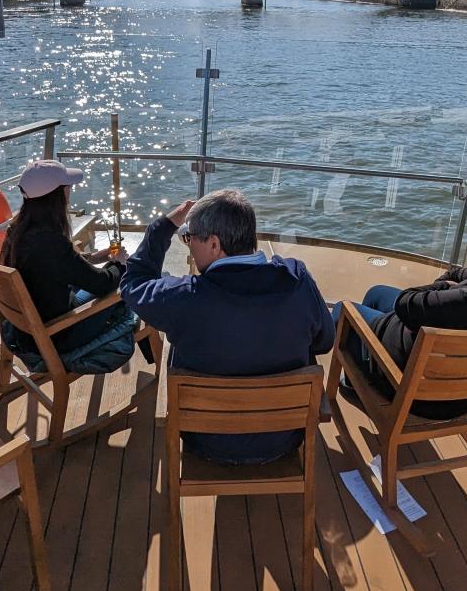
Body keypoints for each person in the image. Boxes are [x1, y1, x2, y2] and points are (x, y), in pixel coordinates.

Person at [122, 188, 334, 464]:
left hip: (205, 437)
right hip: (285, 434)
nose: (188, 245)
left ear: (213, 244)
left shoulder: (182, 298)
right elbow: (324, 341)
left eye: (189, 238)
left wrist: (163, 227)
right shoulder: (298, 282)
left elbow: (132, 283)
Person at [333, 213, 467, 419]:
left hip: (417, 394)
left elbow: (405, 302)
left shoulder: (465, 304)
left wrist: (443, 288)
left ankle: (362, 373)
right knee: (376, 293)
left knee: (342, 310)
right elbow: (458, 274)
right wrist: (449, 286)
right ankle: (356, 377)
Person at [0, 159, 136, 374]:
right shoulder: (51, 242)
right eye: (68, 187)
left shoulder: (17, 231)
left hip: (25, 329)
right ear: (59, 194)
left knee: (115, 276)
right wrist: (119, 263)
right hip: (59, 333)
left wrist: (92, 257)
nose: (70, 191)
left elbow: (55, 266)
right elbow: (101, 284)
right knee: (128, 285)